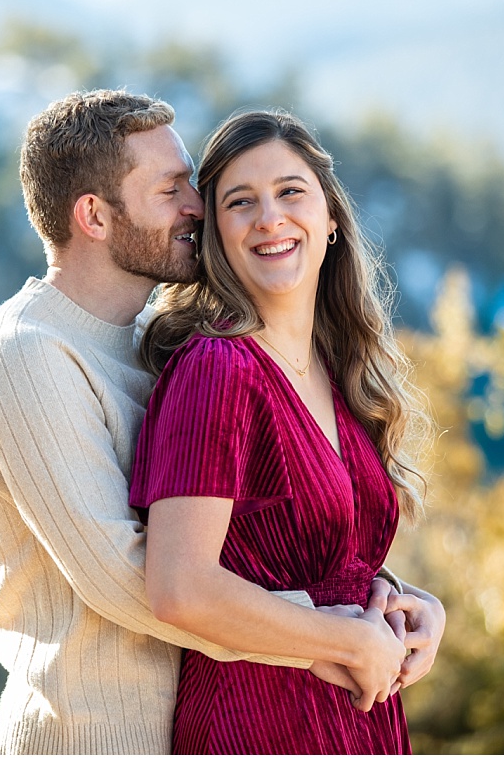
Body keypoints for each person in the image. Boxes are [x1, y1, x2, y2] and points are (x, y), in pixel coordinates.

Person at [0, 90, 444, 755]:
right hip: (92, 738)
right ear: (94, 215)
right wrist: (335, 633)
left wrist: (390, 600)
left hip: (208, 720)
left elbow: (257, 538)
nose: (196, 205)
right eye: (171, 189)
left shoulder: (150, 343)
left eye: (192, 182)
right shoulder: (25, 353)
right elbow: (138, 577)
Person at [129, 109, 438, 754]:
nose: (270, 217)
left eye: (290, 192)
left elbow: (328, 563)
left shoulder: (340, 371)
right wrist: (352, 640)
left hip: (357, 713)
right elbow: (179, 588)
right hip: (258, 718)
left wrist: (415, 609)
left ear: (330, 222)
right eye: (241, 203)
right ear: (216, 236)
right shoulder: (218, 371)